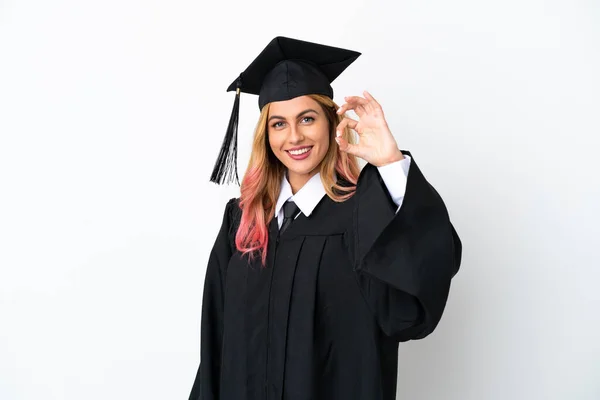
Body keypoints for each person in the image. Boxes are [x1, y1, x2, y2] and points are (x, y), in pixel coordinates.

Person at [189, 36, 462, 400]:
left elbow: (406, 314)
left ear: (331, 123)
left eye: (307, 118)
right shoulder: (242, 220)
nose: (295, 136)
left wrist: (391, 165)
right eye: (279, 124)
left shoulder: (363, 215)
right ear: (265, 135)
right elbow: (215, 341)